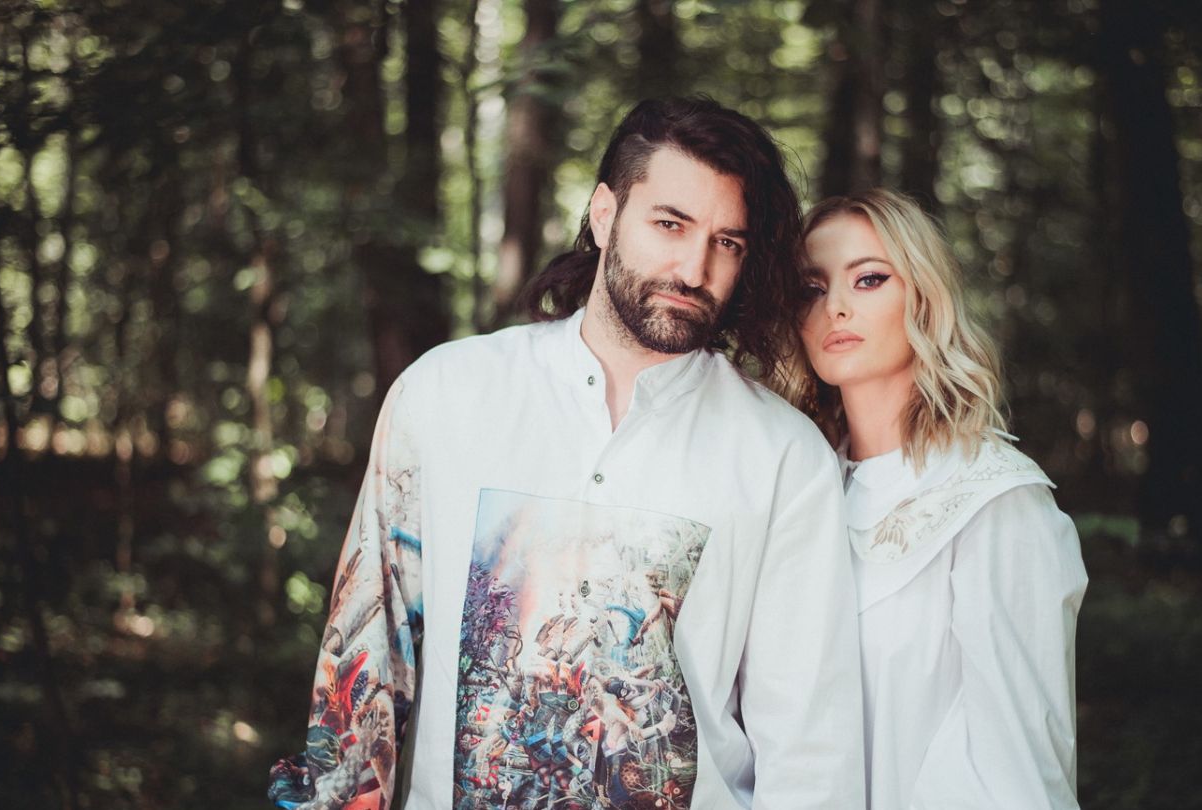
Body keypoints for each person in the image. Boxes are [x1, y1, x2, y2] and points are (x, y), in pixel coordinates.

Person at [269, 97, 866, 810]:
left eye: (727, 243)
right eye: (670, 224)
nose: (694, 267)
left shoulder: (783, 457)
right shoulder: (445, 394)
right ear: (605, 215)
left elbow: (810, 748)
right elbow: (363, 665)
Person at [787, 187, 1087, 809]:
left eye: (869, 279)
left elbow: (1020, 768)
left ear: (923, 298)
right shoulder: (795, 485)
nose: (835, 306)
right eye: (812, 288)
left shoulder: (996, 500)